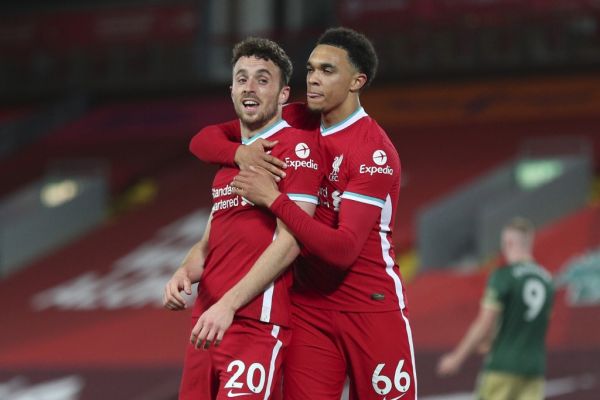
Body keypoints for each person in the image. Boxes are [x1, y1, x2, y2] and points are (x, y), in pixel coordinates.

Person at [189, 27, 417, 400]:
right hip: (308, 306)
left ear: (357, 81)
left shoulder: (374, 152)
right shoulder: (296, 118)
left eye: (327, 71)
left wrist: (274, 200)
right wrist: (239, 154)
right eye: (310, 69)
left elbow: (343, 250)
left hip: (369, 306)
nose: (312, 79)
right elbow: (204, 140)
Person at [163, 37, 322, 400]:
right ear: (231, 89)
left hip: (254, 324)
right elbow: (209, 240)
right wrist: (185, 270)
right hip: (205, 323)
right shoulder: (232, 160)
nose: (250, 87)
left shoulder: (296, 149)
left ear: (283, 95)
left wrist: (229, 306)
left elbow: (291, 241)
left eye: (262, 79)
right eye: (242, 78)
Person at [437, 217, 555, 400]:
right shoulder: (547, 280)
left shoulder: (503, 277)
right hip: (534, 368)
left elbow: (485, 322)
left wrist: (456, 358)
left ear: (508, 242)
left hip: (502, 366)